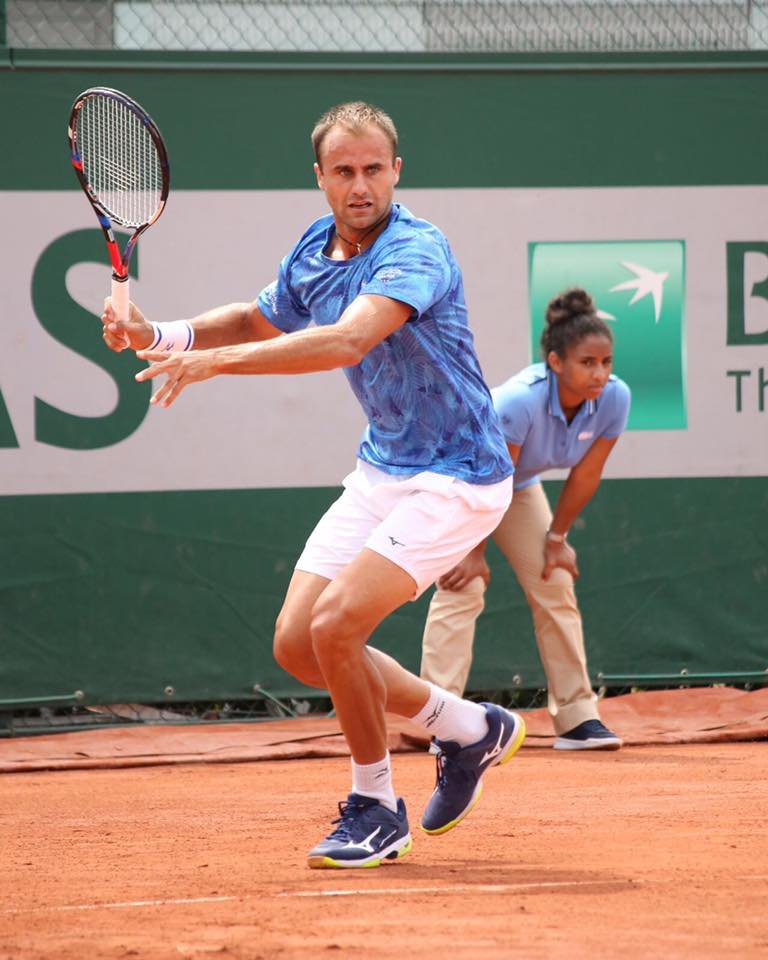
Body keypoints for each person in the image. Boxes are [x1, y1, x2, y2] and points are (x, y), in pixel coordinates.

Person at [99, 101, 526, 869]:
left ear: (397, 171)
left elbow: (348, 339)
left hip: (457, 478)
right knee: (301, 645)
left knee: (337, 628)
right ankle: (466, 727)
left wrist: (213, 366)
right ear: (321, 179)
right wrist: (163, 335)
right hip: (383, 468)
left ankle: (374, 804)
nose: (359, 185)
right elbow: (260, 316)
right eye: (343, 171)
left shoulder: (417, 250)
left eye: (373, 169)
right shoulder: (315, 248)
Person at [420, 288, 631, 750]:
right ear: (556, 363)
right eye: (587, 363)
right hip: (461, 480)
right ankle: (442, 721)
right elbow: (487, 478)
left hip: (512, 484)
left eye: (606, 362)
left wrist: (557, 537)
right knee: (463, 585)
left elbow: (585, 475)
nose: (600, 373)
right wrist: (473, 552)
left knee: (554, 579)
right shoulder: (518, 401)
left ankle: (577, 718)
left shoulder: (615, 399)